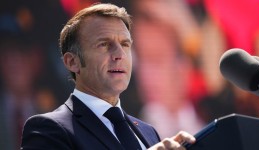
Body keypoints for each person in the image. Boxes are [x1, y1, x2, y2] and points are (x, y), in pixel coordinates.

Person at [21, 3, 195, 150]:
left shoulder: (148, 132)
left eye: (125, 44)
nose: (120, 54)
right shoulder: (48, 129)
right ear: (72, 61)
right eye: (104, 44)